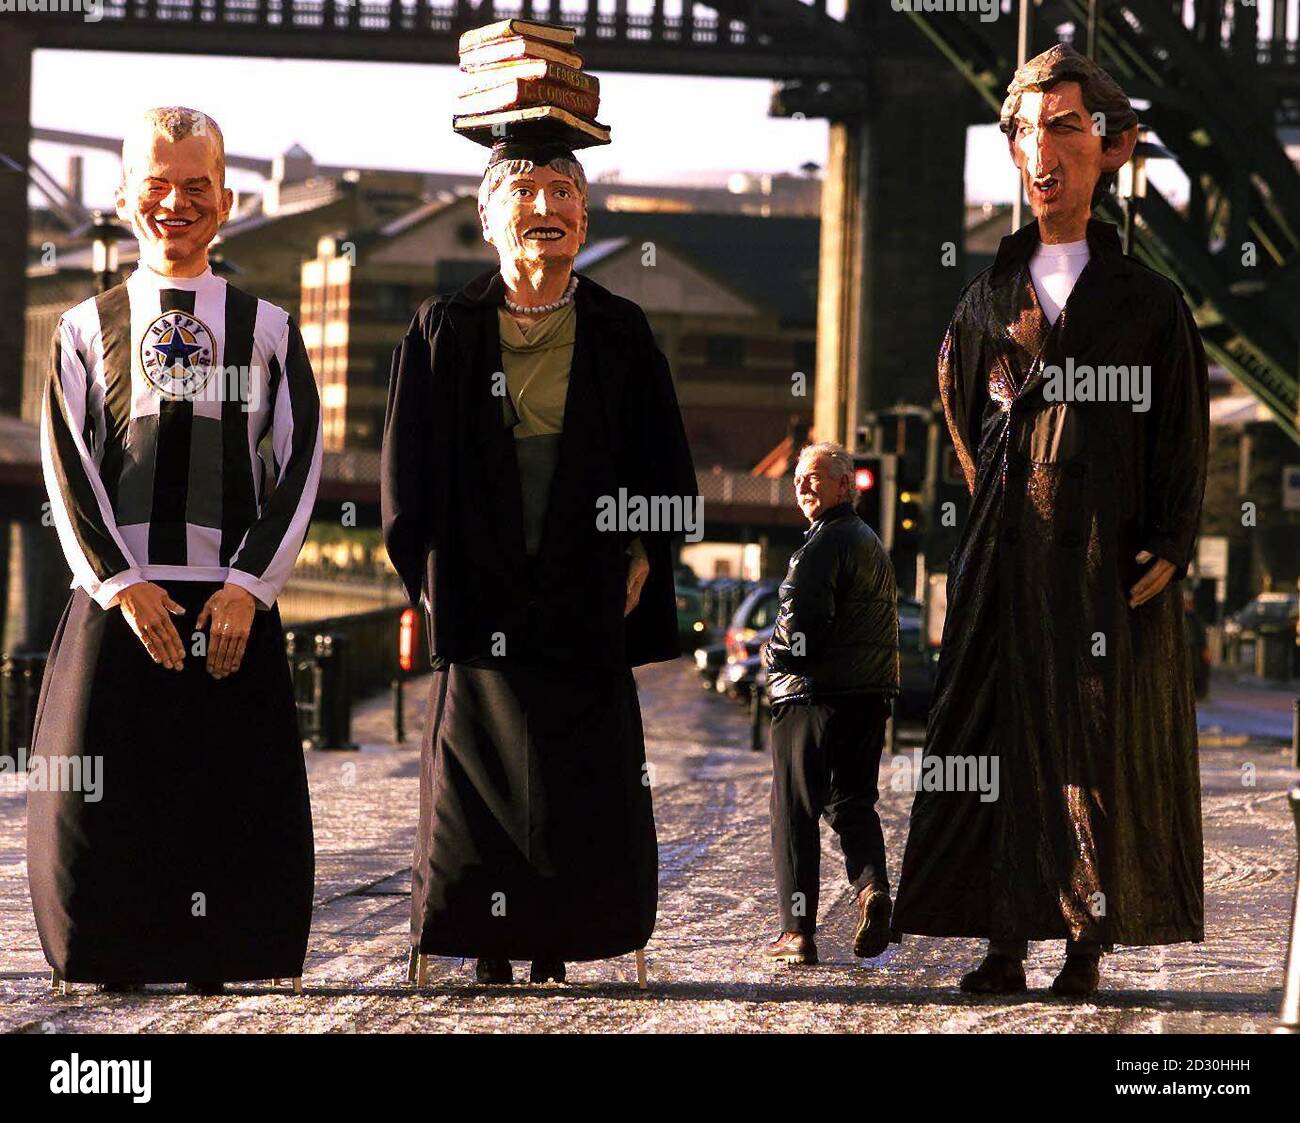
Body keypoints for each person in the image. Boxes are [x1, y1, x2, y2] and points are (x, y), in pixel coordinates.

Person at [891, 45, 1209, 998]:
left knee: (1091, 747)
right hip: (1004, 564)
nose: (1044, 150)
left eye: (1066, 127)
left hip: (1102, 567)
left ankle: (1083, 940)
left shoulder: (1149, 305)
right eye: (1028, 130)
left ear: (1110, 150)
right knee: (993, 753)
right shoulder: (986, 300)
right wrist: (1002, 512)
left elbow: (1181, 433)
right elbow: (960, 415)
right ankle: (1001, 938)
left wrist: (1167, 536)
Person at [381, 131, 696, 985]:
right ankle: (486, 944)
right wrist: (429, 575)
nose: (545, 209)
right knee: (478, 780)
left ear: (586, 216)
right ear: (487, 218)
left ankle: (559, 938)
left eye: (563, 192)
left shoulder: (620, 330)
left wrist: (640, 546)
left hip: (582, 585)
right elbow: (405, 470)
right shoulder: (443, 327)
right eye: (523, 192)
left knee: (578, 775)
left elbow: (662, 461)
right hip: (481, 590)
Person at [28, 107, 321, 994]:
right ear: (124, 198)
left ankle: (218, 956)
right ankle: (114, 952)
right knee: (96, 800)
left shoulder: (268, 329)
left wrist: (247, 587)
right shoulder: (83, 326)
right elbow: (65, 464)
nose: (176, 202)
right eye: (157, 184)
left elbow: (299, 461)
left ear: (227, 201)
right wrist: (120, 583)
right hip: (121, 602)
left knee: (226, 794)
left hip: (230, 604)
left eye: (196, 186)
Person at [761, 442, 900, 966]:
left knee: (792, 810)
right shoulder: (869, 542)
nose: (803, 486)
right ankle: (871, 890)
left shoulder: (823, 546)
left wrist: (768, 654)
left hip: (813, 698)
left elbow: (802, 635)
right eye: (798, 478)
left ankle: (796, 933)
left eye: (815, 477)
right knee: (851, 802)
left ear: (846, 485)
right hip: (867, 697)